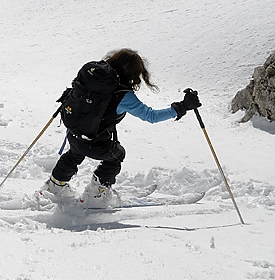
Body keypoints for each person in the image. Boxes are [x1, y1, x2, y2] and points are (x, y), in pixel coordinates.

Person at [40, 48, 201, 204]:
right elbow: (151, 116)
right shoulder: (123, 95)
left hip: (74, 134)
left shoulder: (92, 78)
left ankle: (54, 186)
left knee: (74, 154)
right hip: (94, 143)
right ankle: (97, 193)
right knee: (117, 155)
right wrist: (182, 107)